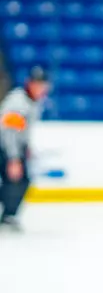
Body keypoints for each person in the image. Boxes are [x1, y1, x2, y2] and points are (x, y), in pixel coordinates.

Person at [0, 66, 50, 230]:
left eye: (42, 85)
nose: (40, 88)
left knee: (20, 181)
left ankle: (8, 214)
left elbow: (23, 128)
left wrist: (26, 147)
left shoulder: (34, 101)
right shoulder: (18, 101)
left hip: (15, 146)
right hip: (6, 146)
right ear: (29, 83)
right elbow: (8, 132)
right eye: (37, 84)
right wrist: (13, 158)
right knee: (17, 180)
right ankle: (8, 216)